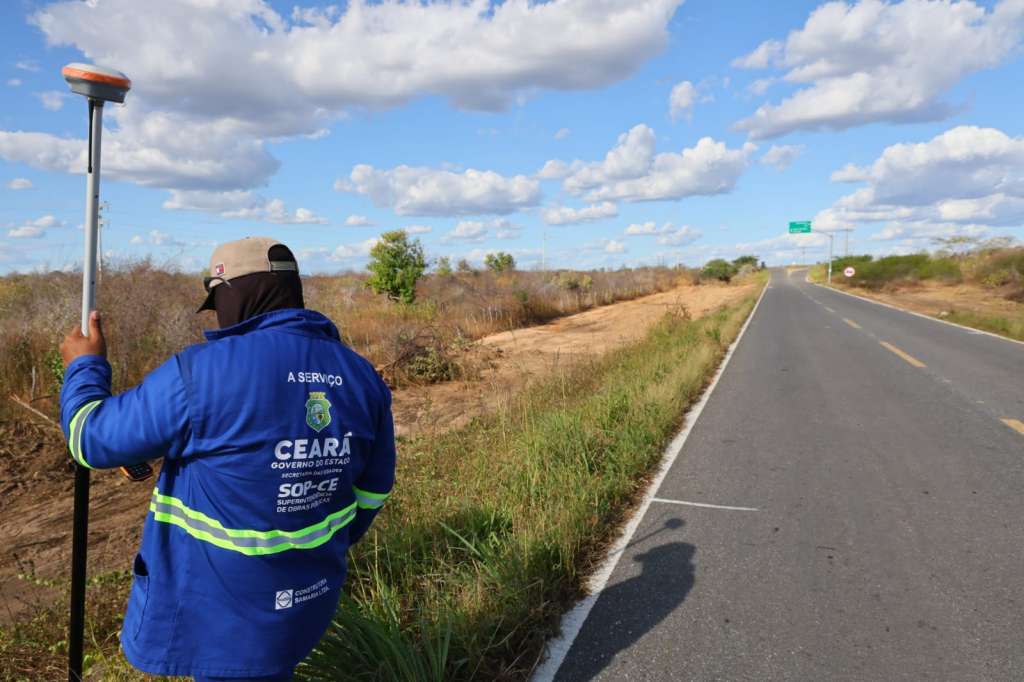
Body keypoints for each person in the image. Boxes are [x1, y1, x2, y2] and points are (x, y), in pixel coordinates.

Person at [59, 237, 396, 682]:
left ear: (234, 291)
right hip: (307, 604)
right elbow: (373, 489)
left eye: (218, 300)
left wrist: (84, 366)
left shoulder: (200, 371)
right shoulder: (361, 374)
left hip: (222, 621)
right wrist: (314, 547)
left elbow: (91, 438)